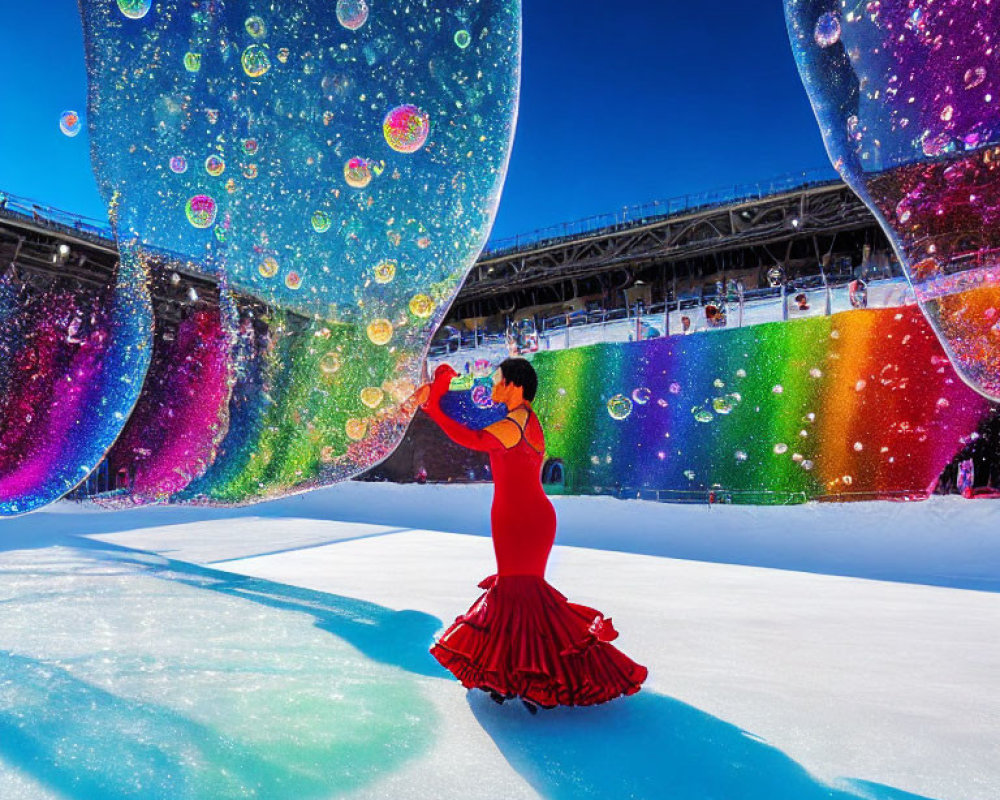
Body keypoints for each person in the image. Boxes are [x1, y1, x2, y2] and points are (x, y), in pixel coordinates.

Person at [415, 359, 647, 710]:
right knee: (518, 598)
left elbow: (473, 438)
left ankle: (539, 676)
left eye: (497, 380)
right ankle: (515, 674)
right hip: (517, 517)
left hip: (523, 520)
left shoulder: (517, 420)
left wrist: (435, 406)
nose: (492, 386)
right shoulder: (517, 420)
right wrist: (438, 401)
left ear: (515, 385)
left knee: (521, 596)